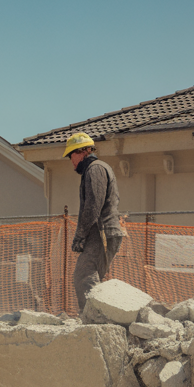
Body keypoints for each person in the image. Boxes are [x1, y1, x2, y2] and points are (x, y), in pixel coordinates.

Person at [64, 132, 125, 311]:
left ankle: (93, 321)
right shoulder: (97, 169)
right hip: (102, 232)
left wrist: (79, 236)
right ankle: (99, 317)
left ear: (83, 151)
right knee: (91, 276)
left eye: (71, 155)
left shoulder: (95, 169)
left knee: (85, 275)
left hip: (101, 232)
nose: (71, 161)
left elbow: (92, 206)